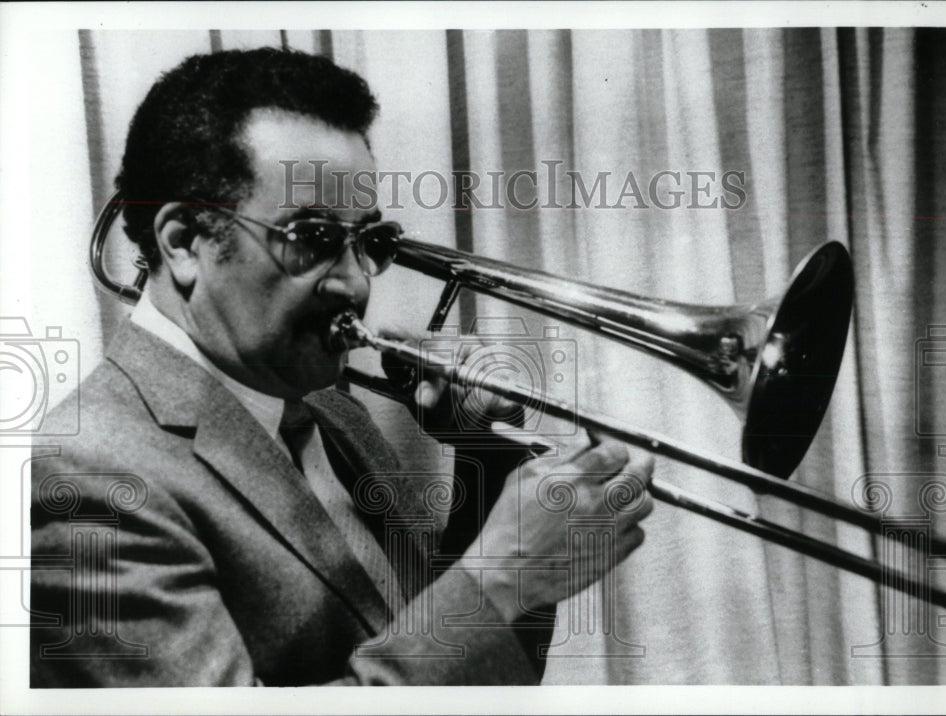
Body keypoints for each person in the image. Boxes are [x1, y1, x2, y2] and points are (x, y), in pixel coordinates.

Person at [30, 47, 654, 687]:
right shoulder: (88, 474)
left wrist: (485, 454)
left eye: (371, 242)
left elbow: (476, 675)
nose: (356, 283)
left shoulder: (330, 411)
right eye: (313, 238)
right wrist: (501, 575)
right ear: (185, 243)